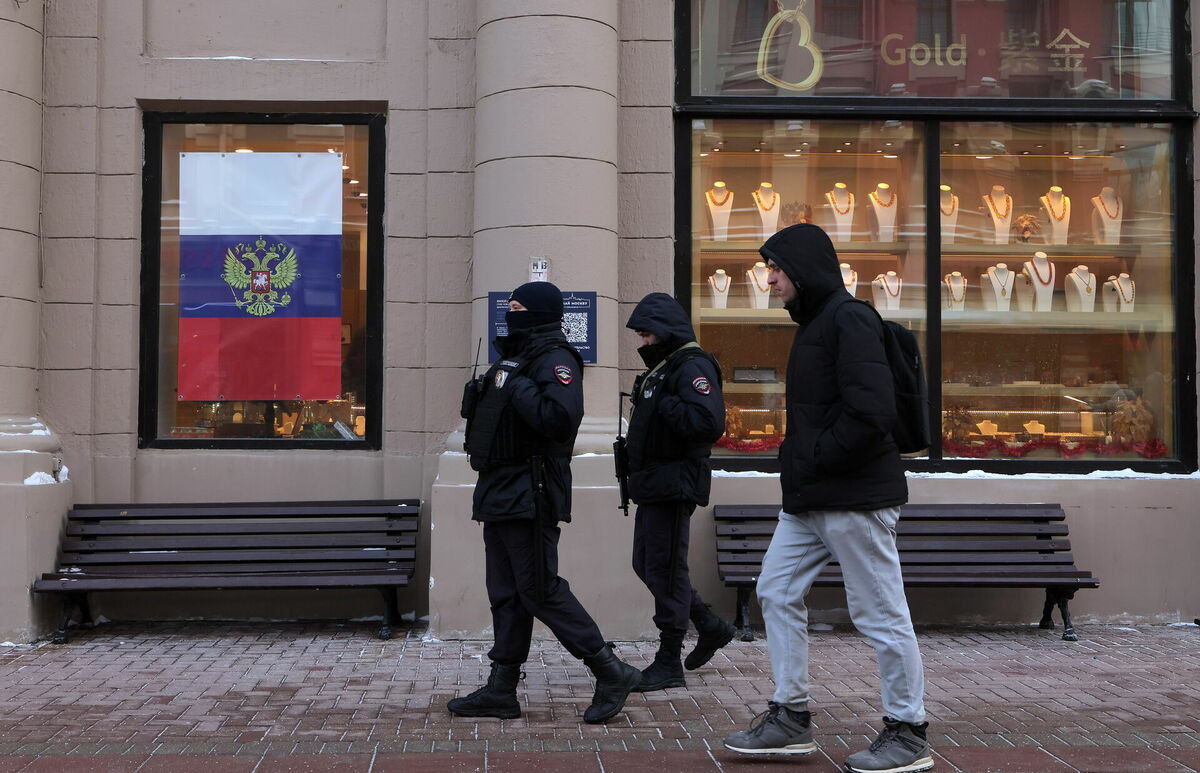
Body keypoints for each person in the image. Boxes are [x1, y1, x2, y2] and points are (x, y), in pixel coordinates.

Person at [722, 225, 932, 773]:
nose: (769, 279)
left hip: (854, 497)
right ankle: (790, 717)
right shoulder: (817, 323)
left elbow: (872, 414)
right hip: (812, 499)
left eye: (776, 268)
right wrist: (806, 470)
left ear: (803, 269)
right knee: (775, 590)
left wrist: (815, 459)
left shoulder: (849, 319)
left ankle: (908, 731)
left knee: (880, 614)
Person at [449, 281, 641, 724]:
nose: (510, 314)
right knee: (506, 593)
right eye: (509, 306)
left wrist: (514, 386)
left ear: (539, 314)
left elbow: (559, 421)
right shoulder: (514, 360)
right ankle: (502, 689)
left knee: (539, 589)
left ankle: (610, 670)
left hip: (531, 489)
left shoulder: (556, 360)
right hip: (499, 488)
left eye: (518, 308)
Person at [623, 293, 735, 692]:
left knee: (666, 570)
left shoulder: (692, 366)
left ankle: (668, 659)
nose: (643, 343)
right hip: (654, 483)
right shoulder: (667, 368)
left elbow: (707, 422)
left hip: (674, 483)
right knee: (646, 563)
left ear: (666, 331)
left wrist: (664, 402)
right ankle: (708, 624)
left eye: (647, 335)